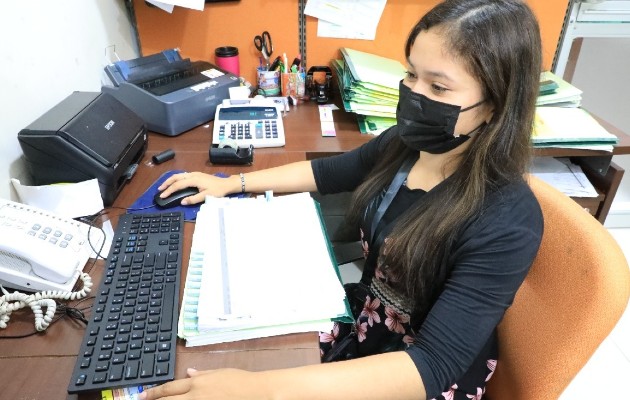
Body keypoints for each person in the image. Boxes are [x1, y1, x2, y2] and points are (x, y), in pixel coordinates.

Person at [141, 0, 544, 398]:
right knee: (223, 350)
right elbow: (329, 173)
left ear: (496, 103)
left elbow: (432, 365)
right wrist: (234, 184)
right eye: (411, 74)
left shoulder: (507, 218)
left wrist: (257, 389)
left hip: (417, 373)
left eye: (437, 86)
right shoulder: (405, 145)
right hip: (367, 323)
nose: (413, 94)